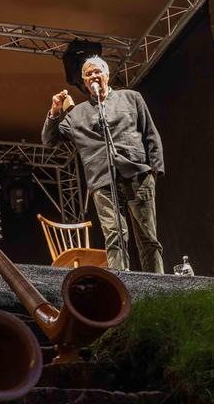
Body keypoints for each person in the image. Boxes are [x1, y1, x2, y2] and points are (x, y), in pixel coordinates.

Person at [42, 56, 165, 273]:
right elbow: (49, 140)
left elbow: (151, 135)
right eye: (88, 74)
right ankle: (121, 286)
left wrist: (154, 171)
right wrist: (54, 111)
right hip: (101, 181)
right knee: (115, 237)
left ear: (106, 75)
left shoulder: (132, 98)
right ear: (84, 82)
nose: (93, 76)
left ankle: (158, 285)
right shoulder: (76, 113)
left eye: (97, 71)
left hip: (137, 174)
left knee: (148, 237)